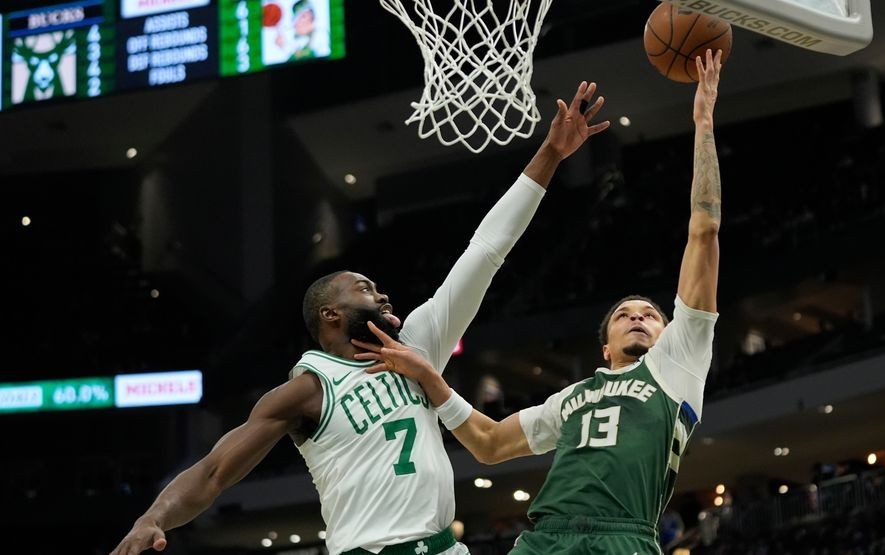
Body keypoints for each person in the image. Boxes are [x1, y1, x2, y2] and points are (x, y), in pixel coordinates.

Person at [108, 81, 610, 555]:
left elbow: (487, 250)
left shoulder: (418, 345)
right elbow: (215, 470)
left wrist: (550, 155)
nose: (384, 295)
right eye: (366, 289)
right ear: (330, 314)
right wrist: (153, 517)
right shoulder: (309, 388)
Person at [353, 50, 724, 555]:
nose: (638, 316)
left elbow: (703, 232)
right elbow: (488, 443)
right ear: (605, 349)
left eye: (652, 315)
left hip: (623, 537)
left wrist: (703, 123)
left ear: (669, 333)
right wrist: (427, 376)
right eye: (623, 314)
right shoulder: (569, 400)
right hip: (543, 539)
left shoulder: (678, 362)